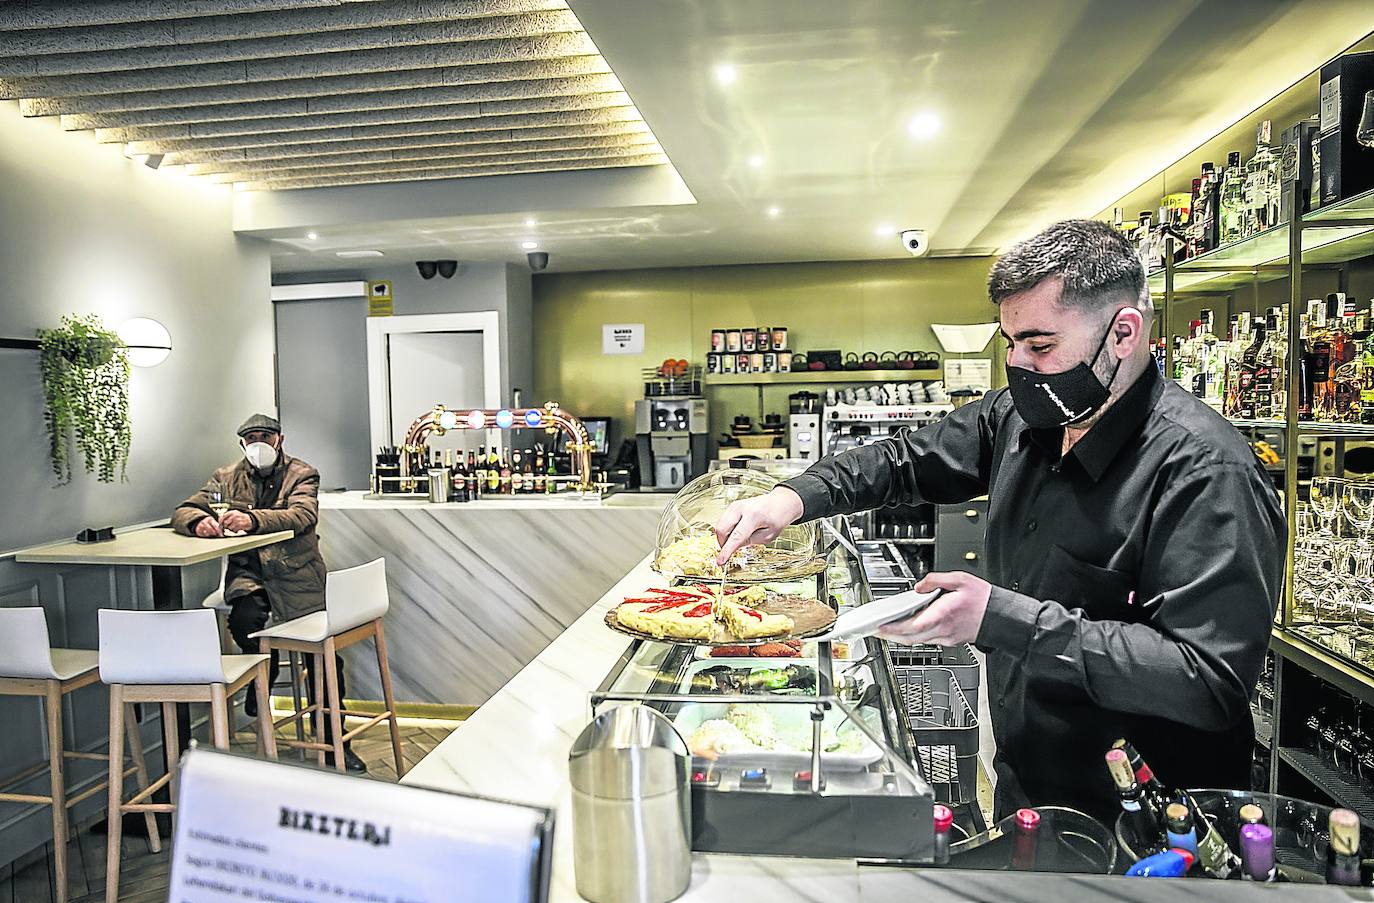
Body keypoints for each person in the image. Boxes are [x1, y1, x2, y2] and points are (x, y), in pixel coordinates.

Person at [714, 220, 1284, 823]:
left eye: (1040, 346)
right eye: (1009, 344)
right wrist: (793, 498)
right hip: (1030, 781)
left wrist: (999, 617)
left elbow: (1207, 680)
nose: (1017, 366)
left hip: (1151, 816)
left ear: (1123, 333)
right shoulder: (1021, 416)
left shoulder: (1207, 470)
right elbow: (905, 459)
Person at [172, 413, 365, 773]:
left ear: (280, 439)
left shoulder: (302, 473)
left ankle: (334, 741)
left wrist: (253, 519)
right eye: (251, 438)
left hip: (297, 577)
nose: (259, 443)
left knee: (322, 660)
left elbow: (302, 515)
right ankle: (263, 668)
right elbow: (184, 509)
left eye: (265, 436)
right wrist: (199, 523)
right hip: (250, 575)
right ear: (242, 444)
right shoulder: (226, 478)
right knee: (246, 621)